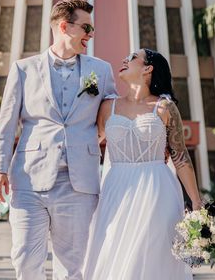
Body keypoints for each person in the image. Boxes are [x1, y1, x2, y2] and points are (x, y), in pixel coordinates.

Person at [0, 0, 117, 280]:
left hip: (80, 183)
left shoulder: (101, 70)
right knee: (24, 259)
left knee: (73, 267)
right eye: (86, 27)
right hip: (28, 180)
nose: (91, 34)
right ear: (64, 26)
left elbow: (113, 114)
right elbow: (7, 123)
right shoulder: (23, 69)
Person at [83, 48, 202, 280]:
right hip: (116, 190)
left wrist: (196, 205)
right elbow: (87, 144)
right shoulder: (108, 107)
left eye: (132, 57)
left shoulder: (165, 108)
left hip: (157, 189)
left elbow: (180, 157)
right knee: (112, 251)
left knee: (149, 255)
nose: (124, 60)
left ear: (148, 69)